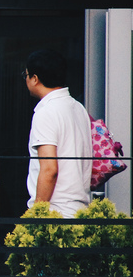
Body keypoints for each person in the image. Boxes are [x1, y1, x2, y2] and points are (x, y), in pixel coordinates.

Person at [23, 49, 92, 217]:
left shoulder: (46, 112)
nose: (25, 79)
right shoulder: (78, 108)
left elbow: (49, 169)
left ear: (35, 78)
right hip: (80, 211)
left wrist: (38, 214)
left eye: (26, 75)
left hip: (55, 212)